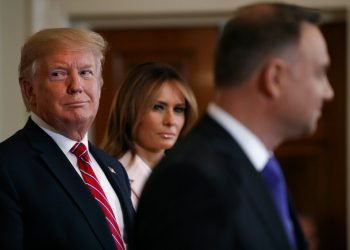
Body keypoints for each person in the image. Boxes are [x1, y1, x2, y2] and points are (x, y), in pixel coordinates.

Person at [130, 3, 334, 250]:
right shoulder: (190, 182)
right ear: (274, 78)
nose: (328, 92)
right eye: (319, 74)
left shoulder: (261, 169)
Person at [0, 28, 134, 250]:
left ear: (99, 85)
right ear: (29, 90)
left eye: (85, 73)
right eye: (58, 73)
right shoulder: (7, 167)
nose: (76, 86)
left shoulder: (114, 168)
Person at [101, 62, 198, 208]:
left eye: (178, 109)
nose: (171, 121)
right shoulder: (106, 178)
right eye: (158, 107)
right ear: (130, 111)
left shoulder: (190, 175)